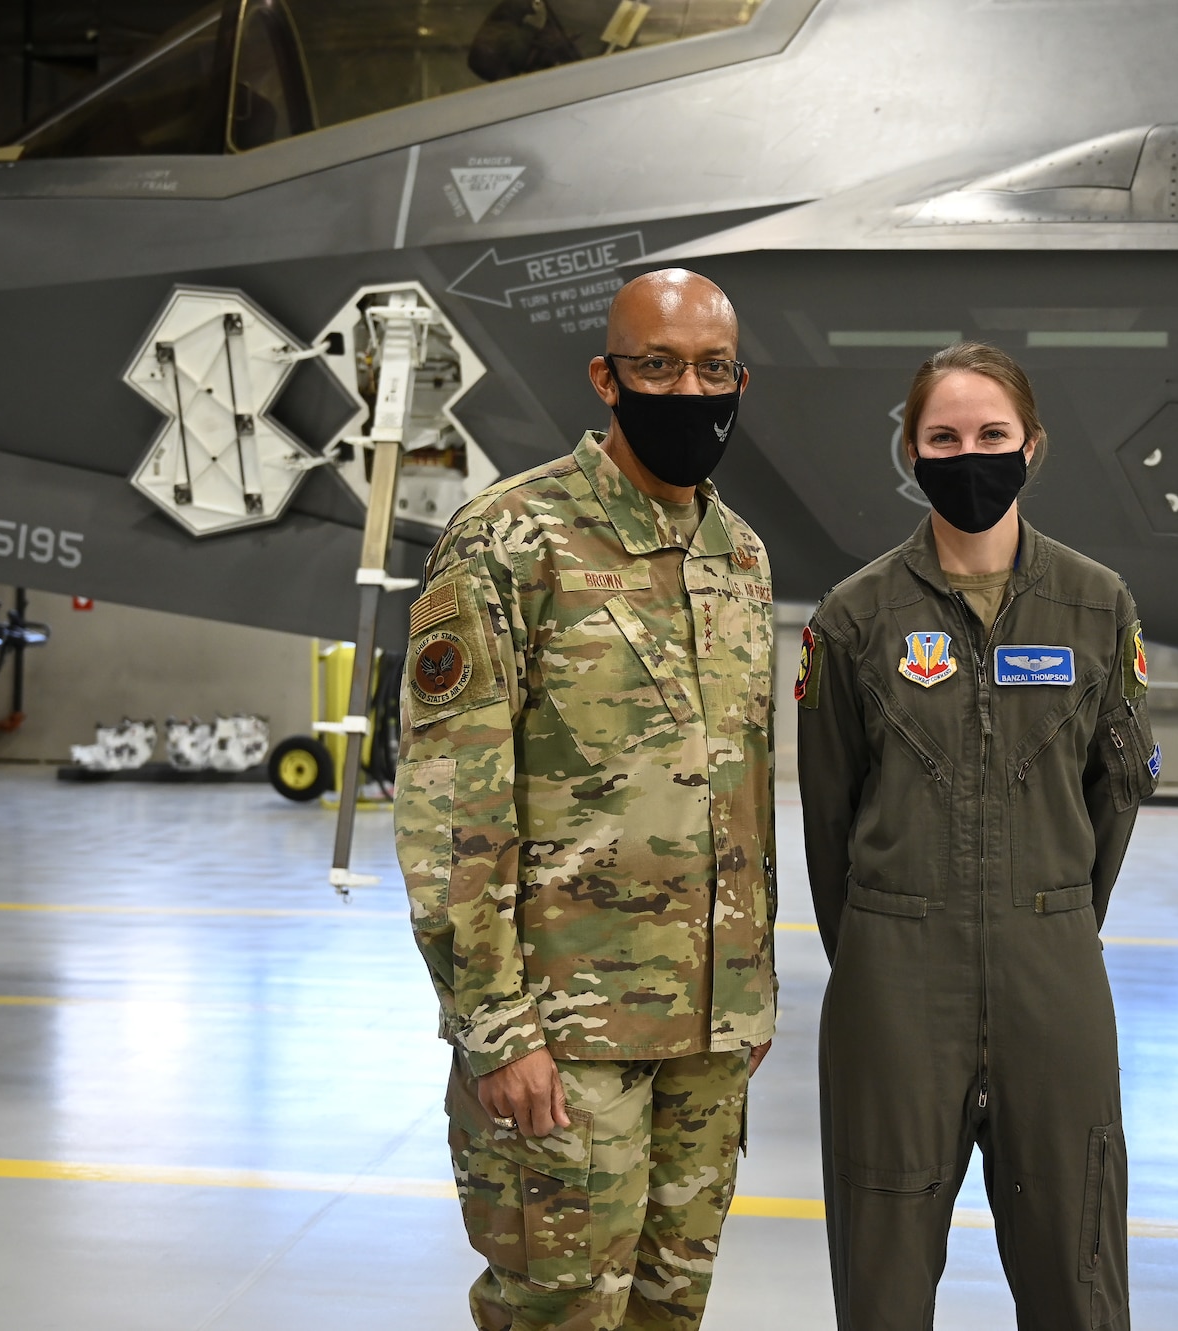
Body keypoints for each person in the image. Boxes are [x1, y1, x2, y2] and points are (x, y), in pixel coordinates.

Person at [393, 268, 777, 1329]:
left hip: (707, 1031)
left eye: (708, 368)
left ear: (738, 380)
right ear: (606, 378)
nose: (685, 389)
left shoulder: (737, 554)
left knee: (668, 1308)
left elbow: (741, 789)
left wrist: (749, 992)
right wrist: (497, 1027)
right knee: (557, 1310)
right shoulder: (509, 539)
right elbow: (448, 809)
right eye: (656, 365)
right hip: (563, 1040)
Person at [796, 342, 1157, 1330]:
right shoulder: (854, 618)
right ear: (909, 453)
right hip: (893, 979)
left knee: (1077, 1273)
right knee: (882, 1278)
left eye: (991, 434)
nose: (969, 455)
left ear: (1031, 447)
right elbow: (827, 816)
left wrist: (1051, 910)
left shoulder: (1095, 606)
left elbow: (1113, 793)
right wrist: (881, 945)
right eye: (942, 436)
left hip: (1053, 967)